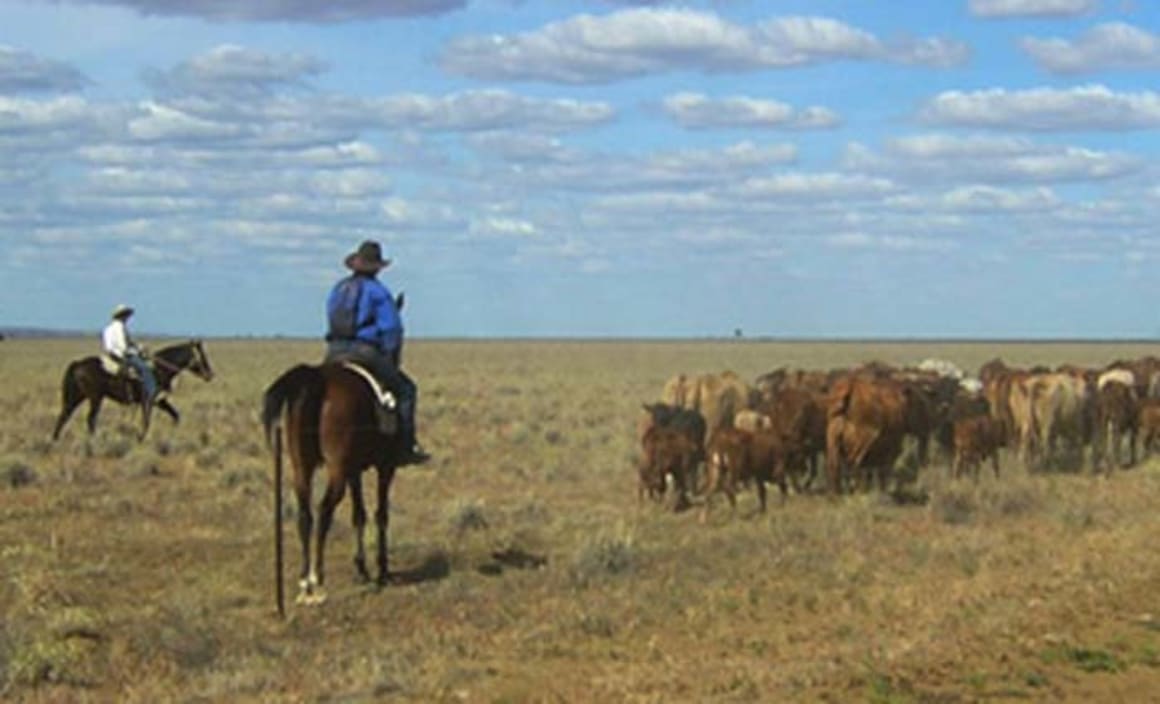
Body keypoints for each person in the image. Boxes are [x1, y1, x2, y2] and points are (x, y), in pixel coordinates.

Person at [324, 240, 430, 466]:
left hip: (333, 351)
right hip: (365, 352)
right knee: (406, 390)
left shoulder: (338, 289)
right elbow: (392, 330)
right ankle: (406, 446)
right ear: (377, 267)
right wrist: (391, 358)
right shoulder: (378, 292)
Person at [102, 304, 158, 405]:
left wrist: (138, 346)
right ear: (123, 316)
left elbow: (128, 343)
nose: (128, 318)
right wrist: (138, 351)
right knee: (145, 368)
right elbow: (123, 346)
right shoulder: (120, 327)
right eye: (127, 315)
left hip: (111, 353)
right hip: (121, 354)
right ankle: (152, 393)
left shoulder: (108, 328)